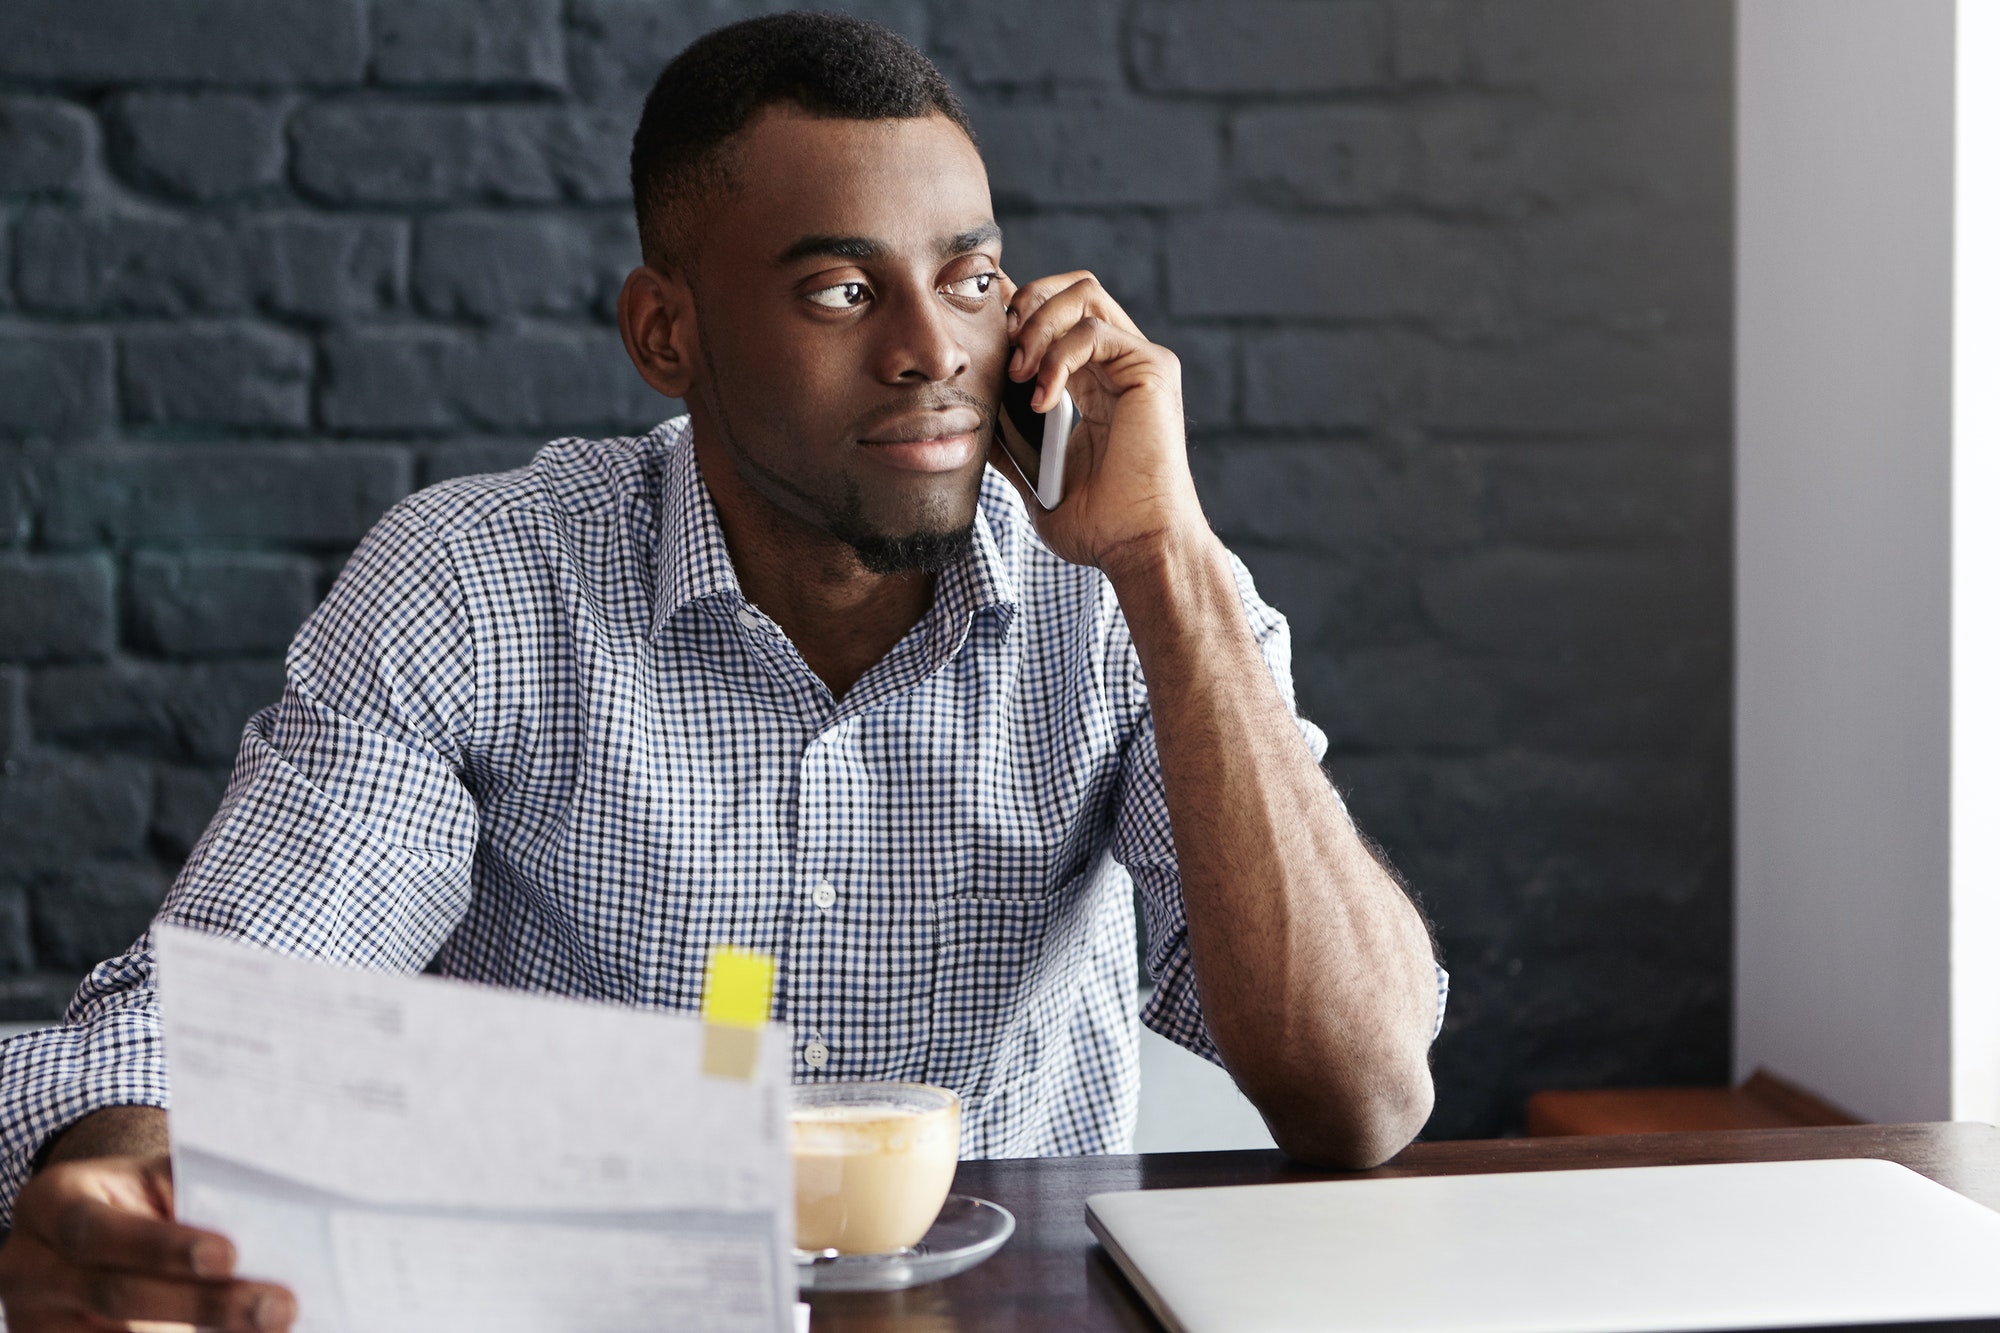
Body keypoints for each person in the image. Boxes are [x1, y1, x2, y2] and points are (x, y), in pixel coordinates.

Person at [0, 12, 1445, 1331]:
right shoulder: (477, 589)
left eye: (973, 277)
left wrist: (1169, 567)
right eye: (838, 288)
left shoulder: (1127, 598)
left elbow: (1364, 1095)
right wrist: (123, 1172)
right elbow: (210, 1029)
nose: (929, 348)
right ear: (665, 333)